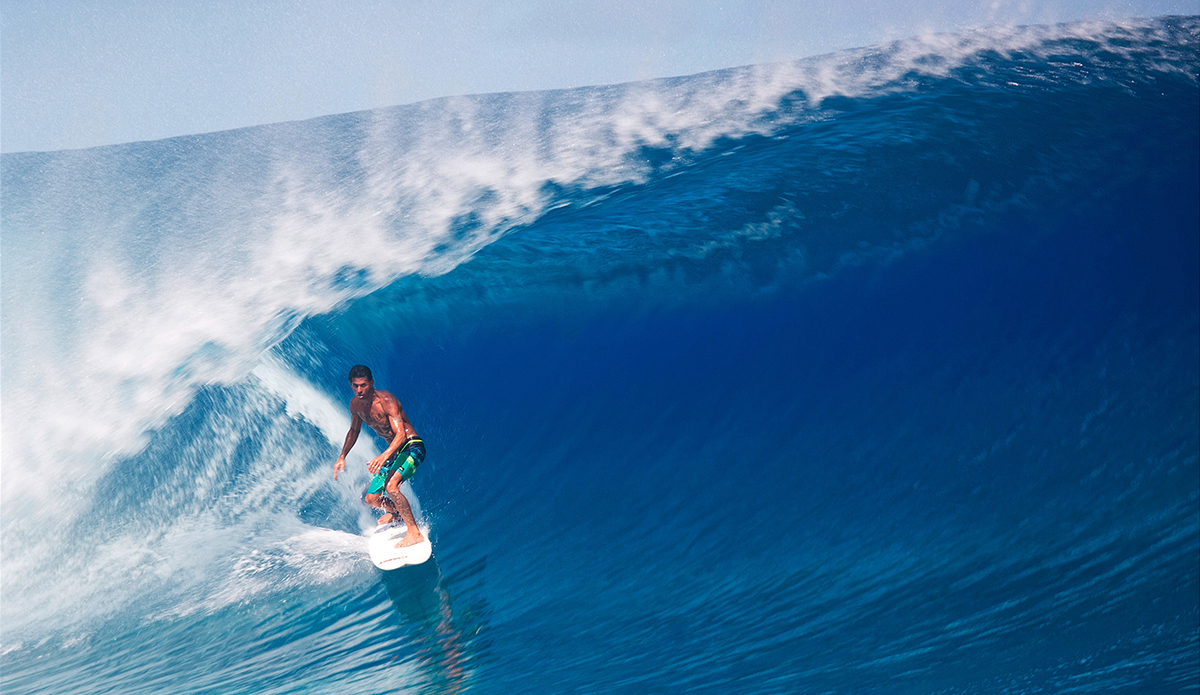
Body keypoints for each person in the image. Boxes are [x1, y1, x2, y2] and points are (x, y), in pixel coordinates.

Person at [333, 364, 427, 548]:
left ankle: (414, 532)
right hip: (394, 452)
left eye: (363, 385)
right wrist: (342, 455)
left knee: (392, 486)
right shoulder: (356, 405)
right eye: (355, 386)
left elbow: (400, 435)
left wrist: (383, 456)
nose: (359, 390)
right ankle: (397, 513)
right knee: (370, 499)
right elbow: (354, 430)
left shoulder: (387, 401)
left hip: (411, 446)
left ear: (371, 383)